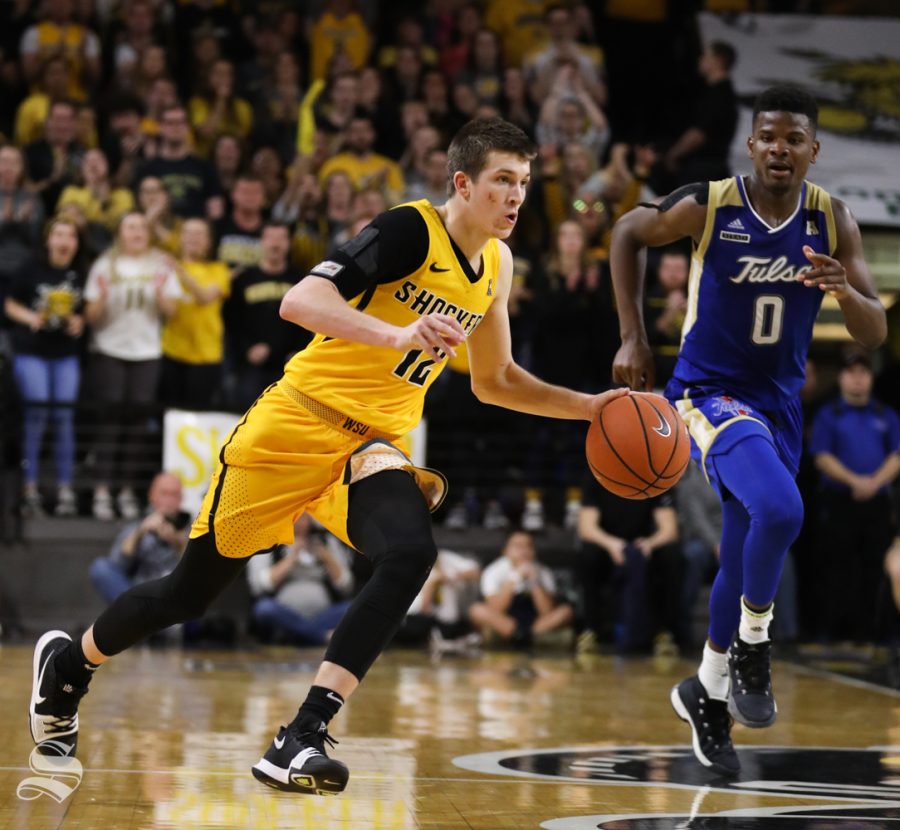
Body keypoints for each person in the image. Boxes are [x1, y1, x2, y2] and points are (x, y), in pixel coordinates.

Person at [29, 116, 627, 795]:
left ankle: (302, 733)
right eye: (501, 182)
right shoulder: (408, 230)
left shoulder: (497, 264)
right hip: (293, 429)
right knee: (183, 596)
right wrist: (396, 332)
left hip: (369, 447)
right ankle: (71, 664)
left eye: (523, 183)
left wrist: (590, 407)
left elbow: (495, 381)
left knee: (410, 554)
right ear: (462, 182)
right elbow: (299, 299)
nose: (516, 197)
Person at [610, 85, 887, 776]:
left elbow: (875, 330)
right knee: (781, 508)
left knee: (743, 556)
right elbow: (625, 232)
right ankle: (754, 647)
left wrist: (844, 292)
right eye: (768, 136)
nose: (779, 149)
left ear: (813, 150)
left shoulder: (833, 220)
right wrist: (634, 338)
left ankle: (704, 691)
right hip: (708, 395)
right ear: (751, 144)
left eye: (794, 139)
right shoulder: (710, 204)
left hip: (780, 406)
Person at [808, 350, 900, 643]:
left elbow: (897, 455)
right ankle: (833, 632)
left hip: (877, 502)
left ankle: (876, 633)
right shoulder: (829, 413)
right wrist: (855, 481)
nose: (858, 378)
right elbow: (821, 457)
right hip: (839, 501)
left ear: (871, 378)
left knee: (877, 568)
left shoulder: (886, 414)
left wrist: (874, 483)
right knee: (837, 567)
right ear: (842, 377)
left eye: (864, 372)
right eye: (852, 372)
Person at [3, 218, 86, 518]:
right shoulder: (31, 267)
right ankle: (29, 487)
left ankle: (65, 489)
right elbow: (9, 303)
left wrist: (81, 321)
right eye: (59, 234)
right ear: (48, 239)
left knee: (64, 417)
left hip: (64, 353)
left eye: (71, 235)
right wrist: (30, 318)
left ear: (77, 242)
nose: (64, 241)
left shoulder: (80, 272)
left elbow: (86, 308)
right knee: (36, 414)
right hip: (31, 351)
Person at [247, 514, 354, 646]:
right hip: (284, 615)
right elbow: (261, 585)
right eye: (294, 516)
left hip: (324, 615)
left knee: (352, 608)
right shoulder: (272, 540)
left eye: (303, 516)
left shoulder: (326, 540)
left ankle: (300, 634)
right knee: (264, 609)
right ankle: (320, 636)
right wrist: (291, 559)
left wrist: (325, 556)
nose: (298, 522)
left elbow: (346, 585)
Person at [88, 472, 189, 604]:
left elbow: (196, 577)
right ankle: (138, 616)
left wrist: (178, 543)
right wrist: (140, 533)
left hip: (175, 601)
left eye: (174, 495)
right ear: (152, 496)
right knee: (100, 567)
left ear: (181, 499)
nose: (169, 501)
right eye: (164, 493)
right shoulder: (138, 527)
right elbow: (116, 566)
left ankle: (140, 620)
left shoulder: (192, 528)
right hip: (141, 599)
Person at [469, 530, 574, 649]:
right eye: (518, 546)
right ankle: (519, 635)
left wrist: (534, 581)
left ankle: (525, 636)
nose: (524, 551)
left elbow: (547, 611)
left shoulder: (544, 572)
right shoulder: (492, 572)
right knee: (476, 610)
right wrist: (514, 577)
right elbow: (496, 609)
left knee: (566, 611)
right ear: (505, 551)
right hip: (507, 620)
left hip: (535, 622)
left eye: (528, 546)